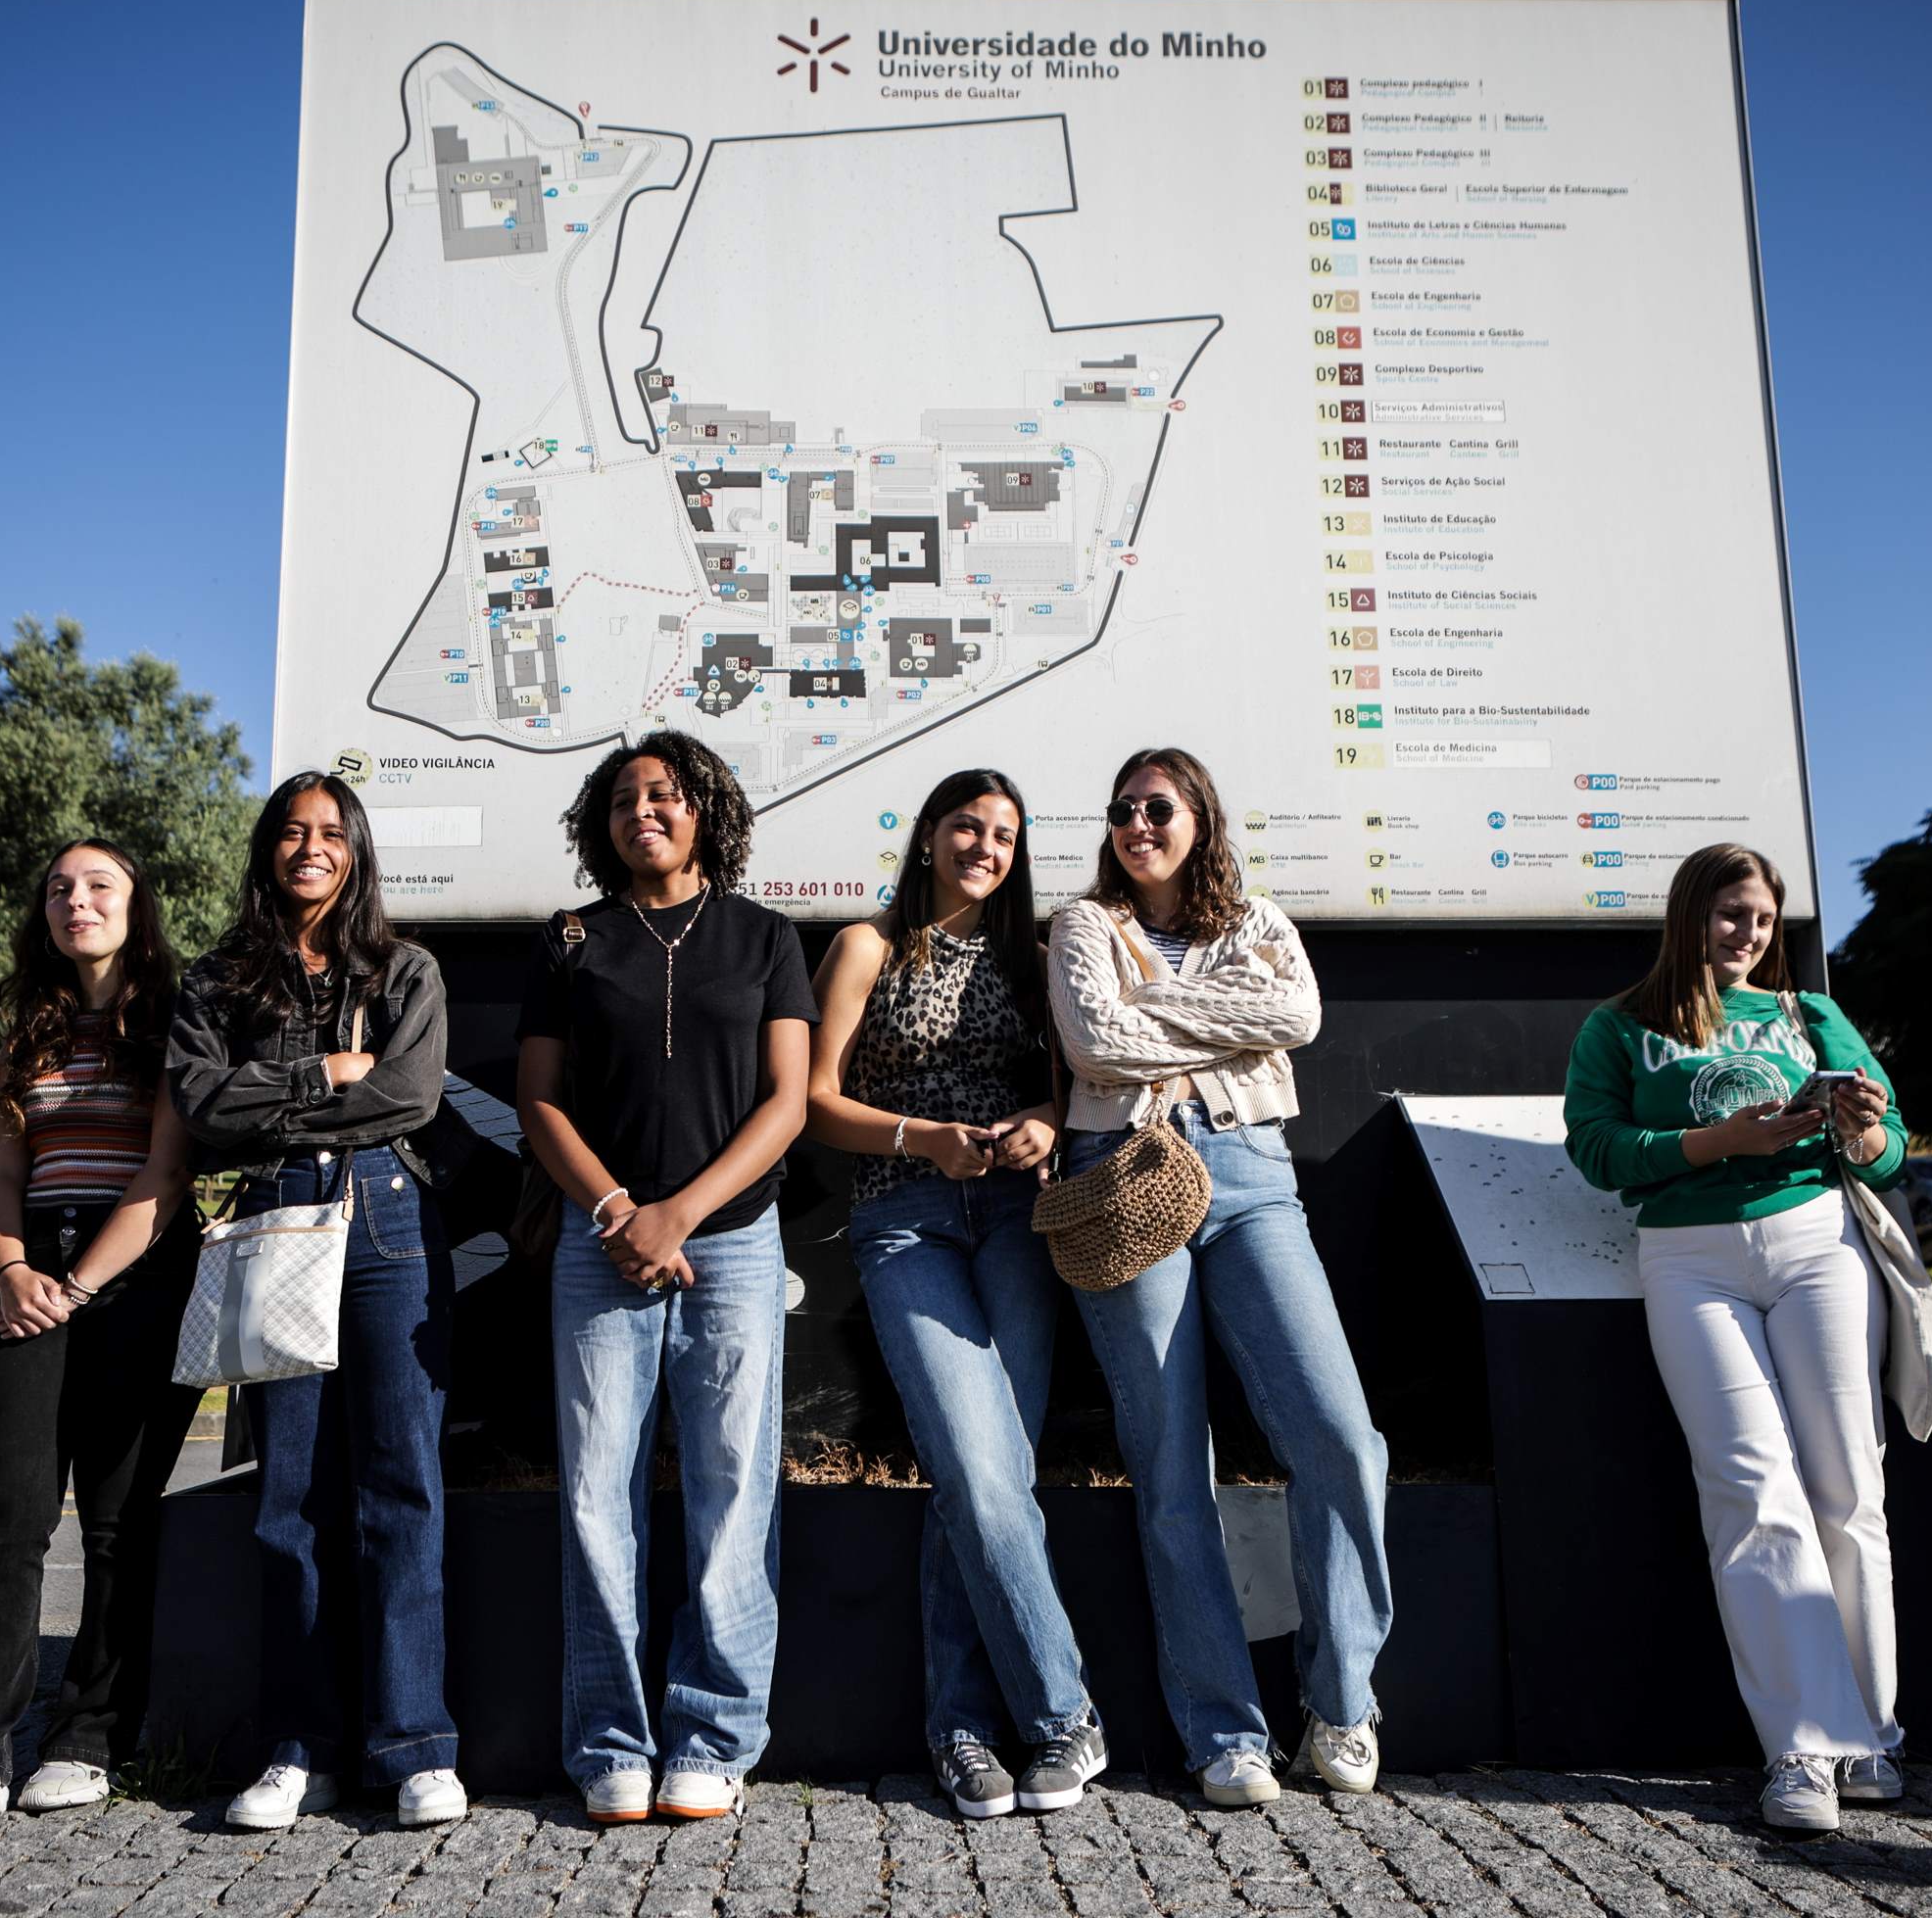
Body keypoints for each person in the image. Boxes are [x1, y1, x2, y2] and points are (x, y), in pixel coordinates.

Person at [1044, 746, 1390, 1811]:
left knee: (1338, 1434)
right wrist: (1218, 1009)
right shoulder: (1081, 924)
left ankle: (1342, 1701)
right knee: (1169, 1459)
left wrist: (1154, 1005)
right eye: (1122, 809)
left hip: (1250, 1177)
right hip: (1125, 1174)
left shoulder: (1256, 920)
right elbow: (1092, 1041)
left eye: (1158, 807)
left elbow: (1299, 1015)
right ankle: (1224, 1730)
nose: (1137, 825)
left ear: (1199, 817)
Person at [1562, 840, 1908, 1833]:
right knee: (1751, 1485)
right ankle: (1801, 1744)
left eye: (1762, 918)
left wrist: (1862, 1125)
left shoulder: (1809, 1013)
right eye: (1729, 914)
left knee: (1849, 1484)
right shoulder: (1619, 1024)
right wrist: (1725, 1140)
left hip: (1817, 1244)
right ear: (1687, 915)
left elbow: (1887, 1152)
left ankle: (1874, 1732)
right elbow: (1596, 1148)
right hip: (1691, 1258)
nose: (1748, 933)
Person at [517, 732, 812, 1824]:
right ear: (601, 824)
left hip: (733, 1242)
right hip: (600, 1248)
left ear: (706, 813)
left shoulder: (765, 936)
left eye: (666, 794)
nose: (644, 810)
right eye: (624, 799)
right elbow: (540, 1099)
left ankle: (714, 1737)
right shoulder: (573, 939)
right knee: (598, 1497)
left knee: (734, 1489)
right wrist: (616, 1211)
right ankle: (609, 1741)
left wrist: (677, 1213)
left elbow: (788, 1100)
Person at [804, 769, 1102, 1819]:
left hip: (1019, 1221)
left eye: (1005, 835)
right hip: (904, 1217)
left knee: (986, 1479)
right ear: (928, 833)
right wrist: (920, 1137)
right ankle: (1065, 1715)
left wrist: (1043, 1125)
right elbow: (815, 1102)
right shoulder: (867, 946)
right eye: (969, 827)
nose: (985, 847)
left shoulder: (1036, 958)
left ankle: (964, 1732)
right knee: (980, 1467)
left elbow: (1068, 1090)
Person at [169, 773, 461, 1833]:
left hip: (388, 1215)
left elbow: (408, 1096)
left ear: (356, 850)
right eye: (292, 832)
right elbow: (200, 1106)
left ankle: (416, 1744)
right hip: (275, 1215)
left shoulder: (406, 968)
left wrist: (274, 1098)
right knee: (288, 1495)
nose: (310, 847)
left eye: (331, 833)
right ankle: (300, 1750)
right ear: (268, 849)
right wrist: (324, 1074)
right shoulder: (218, 977)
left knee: (400, 1484)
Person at [0, 841, 207, 1832]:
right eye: (57, 888)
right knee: (6, 1517)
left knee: (120, 1524)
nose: (75, 901)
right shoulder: (28, 1030)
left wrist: (79, 1285)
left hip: (138, 1273)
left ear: (135, 908)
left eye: (97, 886)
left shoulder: (174, 1023)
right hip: (29, 1269)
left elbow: (166, 1173)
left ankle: (89, 1739)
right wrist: (10, 1270)